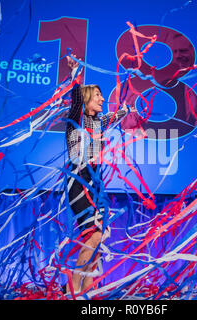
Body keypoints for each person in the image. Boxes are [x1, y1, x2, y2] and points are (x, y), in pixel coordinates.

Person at [64, 54, 133, 295]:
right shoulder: (76, 120)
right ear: (86, 99)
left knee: (100, 236)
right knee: (91, 236)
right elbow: (75, 103)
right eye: (97, 96)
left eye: (102, 96)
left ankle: (85, 290)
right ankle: (73, 289)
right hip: (77, 182)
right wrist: (76, 77)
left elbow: (117, 116)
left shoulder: (100, 122)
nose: (103, 99)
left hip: (95, 186)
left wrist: (127, 109)